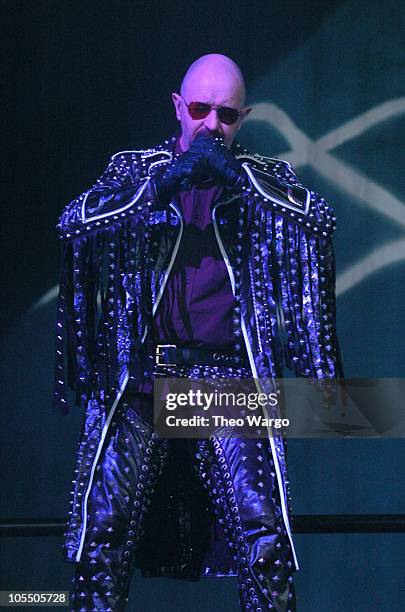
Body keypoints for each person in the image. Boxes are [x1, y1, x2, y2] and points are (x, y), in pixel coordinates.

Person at [54, 54, 341, 611]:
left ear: (244, 117)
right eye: (202, 110)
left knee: (265, 543)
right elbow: (74, 223)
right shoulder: (135, 171)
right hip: (142, 380)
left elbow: (319, 222)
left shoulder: (262, 178)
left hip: (227, 384)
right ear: (179, 107)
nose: (212, 126)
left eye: (227, 115)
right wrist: (159, 188)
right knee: (103, 535)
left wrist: (242, 182)